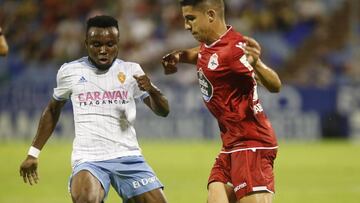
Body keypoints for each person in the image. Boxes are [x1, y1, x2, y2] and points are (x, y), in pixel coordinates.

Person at [20, 15, 169, 203]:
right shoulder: (70, 72)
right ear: (86, 43)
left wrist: (152, 90)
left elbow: (163, 111)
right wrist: (33, 153)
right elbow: (52, 110)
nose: (103, 50)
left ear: (118, 43)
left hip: (129, 156)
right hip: (89, 159)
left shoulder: (132, 71)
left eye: (110, 44)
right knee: (87, 199)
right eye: (96, 44)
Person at [162, 0, 281, 203]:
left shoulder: (236, 49)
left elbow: (275, 85)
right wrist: (179, 56)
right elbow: (201, 54)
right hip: (230, 145)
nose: (186, 26)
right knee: (215, 193)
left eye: (190, 18)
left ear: (210, 15)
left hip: (252, 143)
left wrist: (258, 64)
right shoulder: (211, 45)